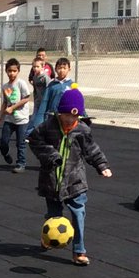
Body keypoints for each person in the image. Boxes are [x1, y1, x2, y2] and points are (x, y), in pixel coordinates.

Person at [27, 86, 112, 266]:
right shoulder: (48, 126)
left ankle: (79, 251)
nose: (70, 120)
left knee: (78, 214)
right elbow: (34, 140)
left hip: (75, 181)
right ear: (60, 113)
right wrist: (50, 155)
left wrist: (101, 165)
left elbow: (92, 150)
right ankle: (48, 236)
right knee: (54, 215)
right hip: (51, 181)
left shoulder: (82, 130)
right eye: (67, 116)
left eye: (75, 116)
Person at [0, 58, 32, 172]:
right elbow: (5, 102)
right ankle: (6, 154)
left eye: (14, 71)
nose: (12, 73)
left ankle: (21, 164)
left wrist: (12, 108)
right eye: (9, 71)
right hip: (9, 119)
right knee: (3, 141)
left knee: (20, 143)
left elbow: (26, 99)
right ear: (6, 71)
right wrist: (0, 115)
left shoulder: (21, 83)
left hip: (22, 119)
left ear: (18, 71)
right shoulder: (5, 86)